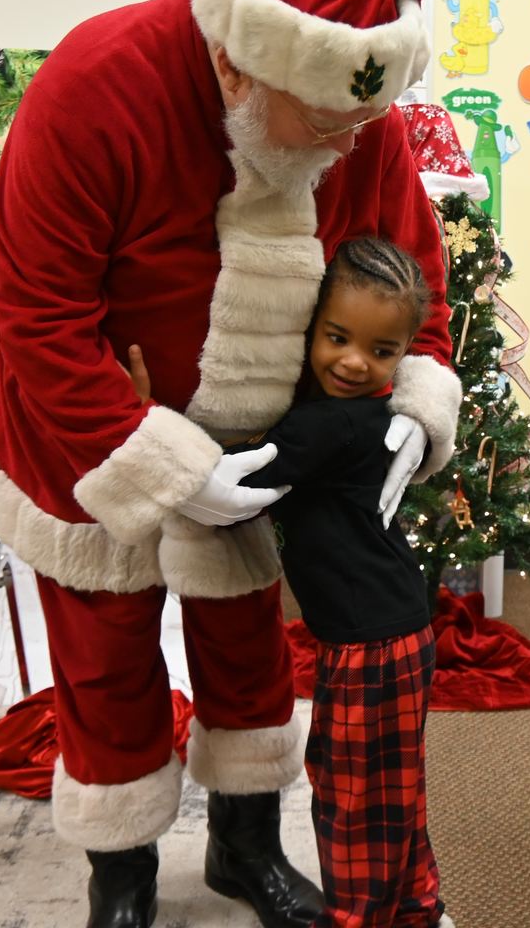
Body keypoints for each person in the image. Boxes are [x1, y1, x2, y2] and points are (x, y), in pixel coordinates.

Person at [0, 0, 462, 927]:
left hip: (261, 446)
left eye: (361, 120)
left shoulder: (350, 108)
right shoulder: (91, 86)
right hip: (91, 441)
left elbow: (410, 259)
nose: (351, 144)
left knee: (246, 653)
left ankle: (246, 847)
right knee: (104, 659)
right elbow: (38, 313)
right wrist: (157, 460)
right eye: (323, 123)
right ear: (237, 67)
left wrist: (418, 397)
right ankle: (122, 874)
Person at [131, 236, 455, 927]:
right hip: (399, 630)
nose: (354, 362)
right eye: (338, 338)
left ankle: (359, 917)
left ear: (405, 352)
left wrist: (147, 417)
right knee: (394, 786)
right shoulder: (369, 415)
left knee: (351, 797)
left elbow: (231, 476)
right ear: (313, 328)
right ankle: (416, 907)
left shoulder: (322, 427)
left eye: (381, 350)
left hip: (368, 647)